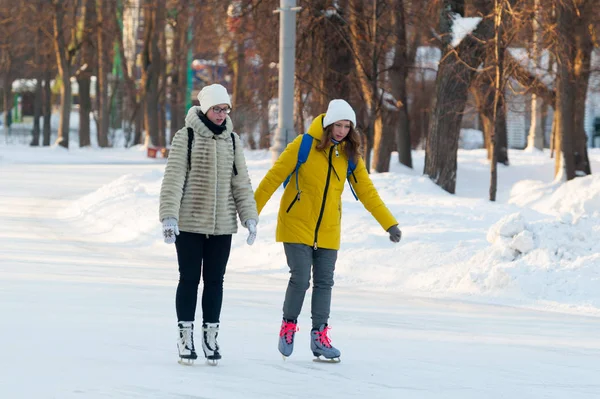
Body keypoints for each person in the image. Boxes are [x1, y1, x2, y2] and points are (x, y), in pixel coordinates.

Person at [254, 99, 402, 361]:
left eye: (347, 126)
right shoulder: (303, 145)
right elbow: (273, 178)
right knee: (300, 278)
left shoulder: (349, 156)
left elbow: (367, 192)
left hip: (328, 229)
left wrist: (389, 223)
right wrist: (250, 212)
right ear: (327, 123)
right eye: (338, 125)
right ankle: (288, 326)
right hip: (296, 224)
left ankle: (319, 336)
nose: (342, 131)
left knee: (325, 283)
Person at [159, 83, 258, 364]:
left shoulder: (233, 140)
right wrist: (169, 216)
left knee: (215, 281)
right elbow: (174, 178)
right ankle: (185, 338)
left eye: (224, 108)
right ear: (205, 109)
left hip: (222, 226)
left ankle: (210, 338)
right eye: (216, 108)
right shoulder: (186, 137)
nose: (221, 113)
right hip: (190, 223)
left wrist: (249, 216)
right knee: (189, 279)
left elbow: (241, 182)